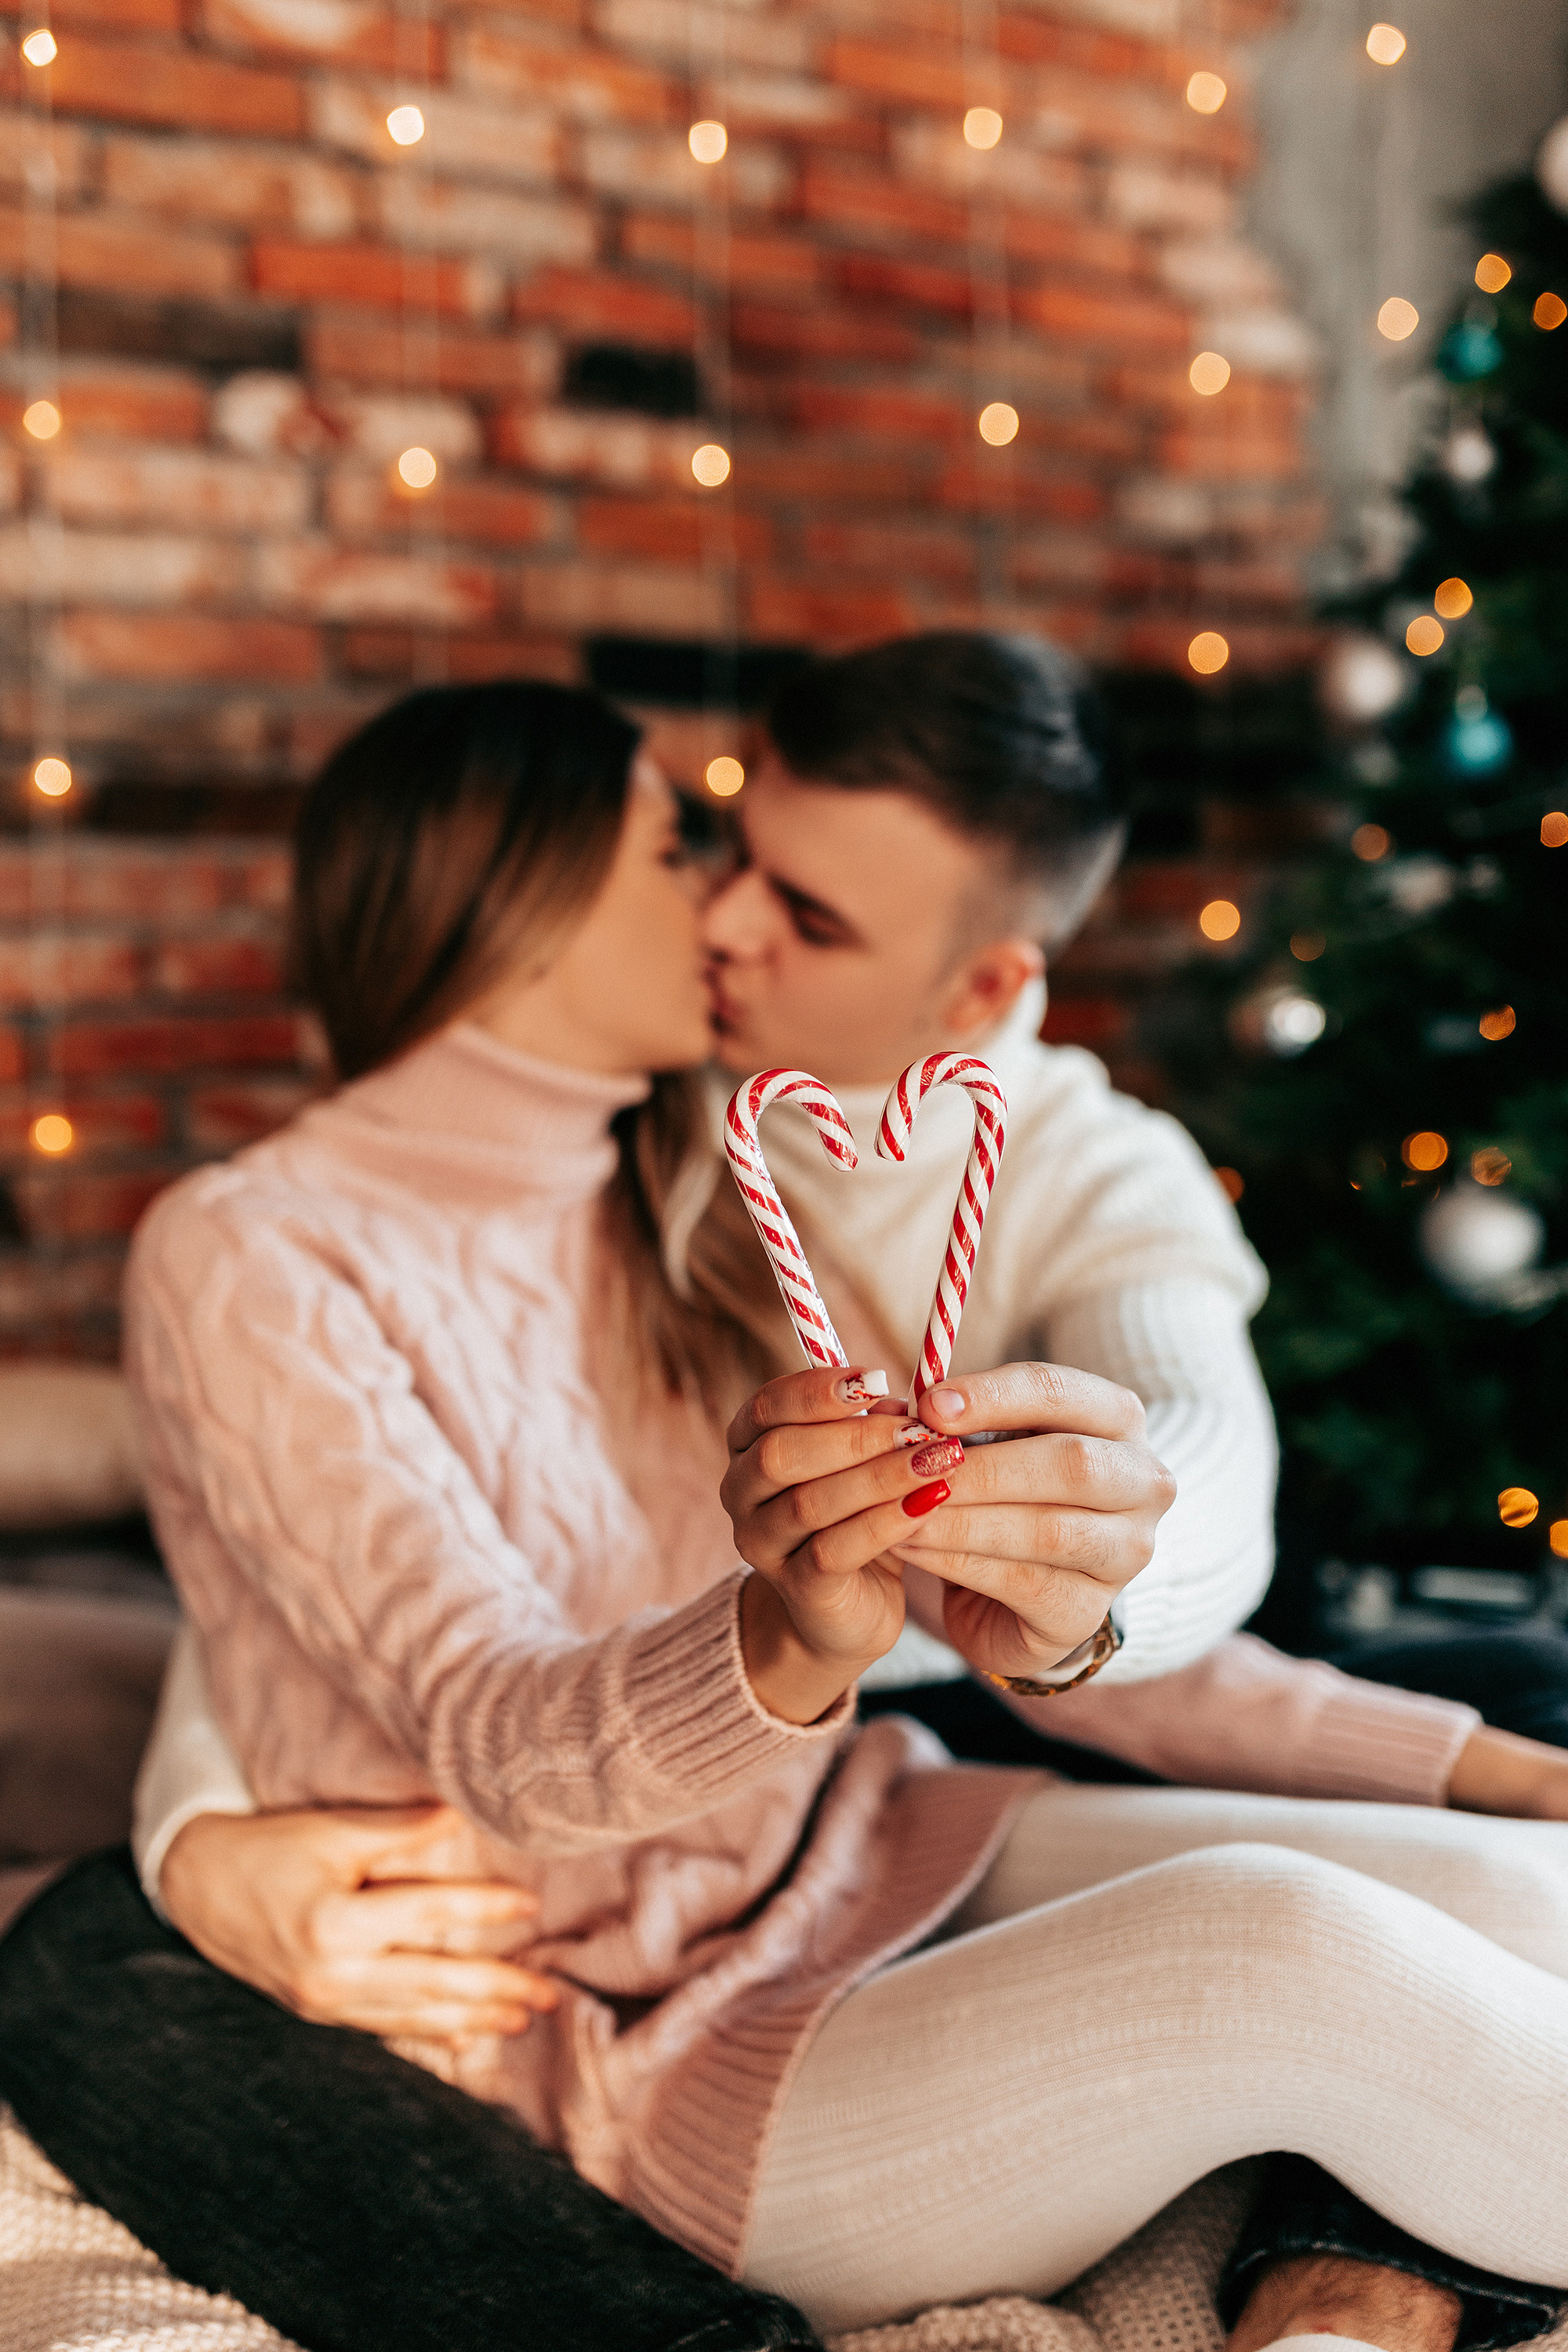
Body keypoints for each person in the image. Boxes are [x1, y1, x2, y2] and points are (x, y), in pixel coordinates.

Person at [4, 662, 1566, 2352]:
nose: (728, 911)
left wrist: (1482, 1768)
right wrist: (777, 1640)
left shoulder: (686, 1176)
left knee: (1531, 1897)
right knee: (1286, 1943)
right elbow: (486, 1728)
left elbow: (1018, 1595)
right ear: (515, 898)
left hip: (869, 1842)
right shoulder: (253, 1249)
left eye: (766, 883)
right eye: (683, 847)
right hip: (627, 2022)